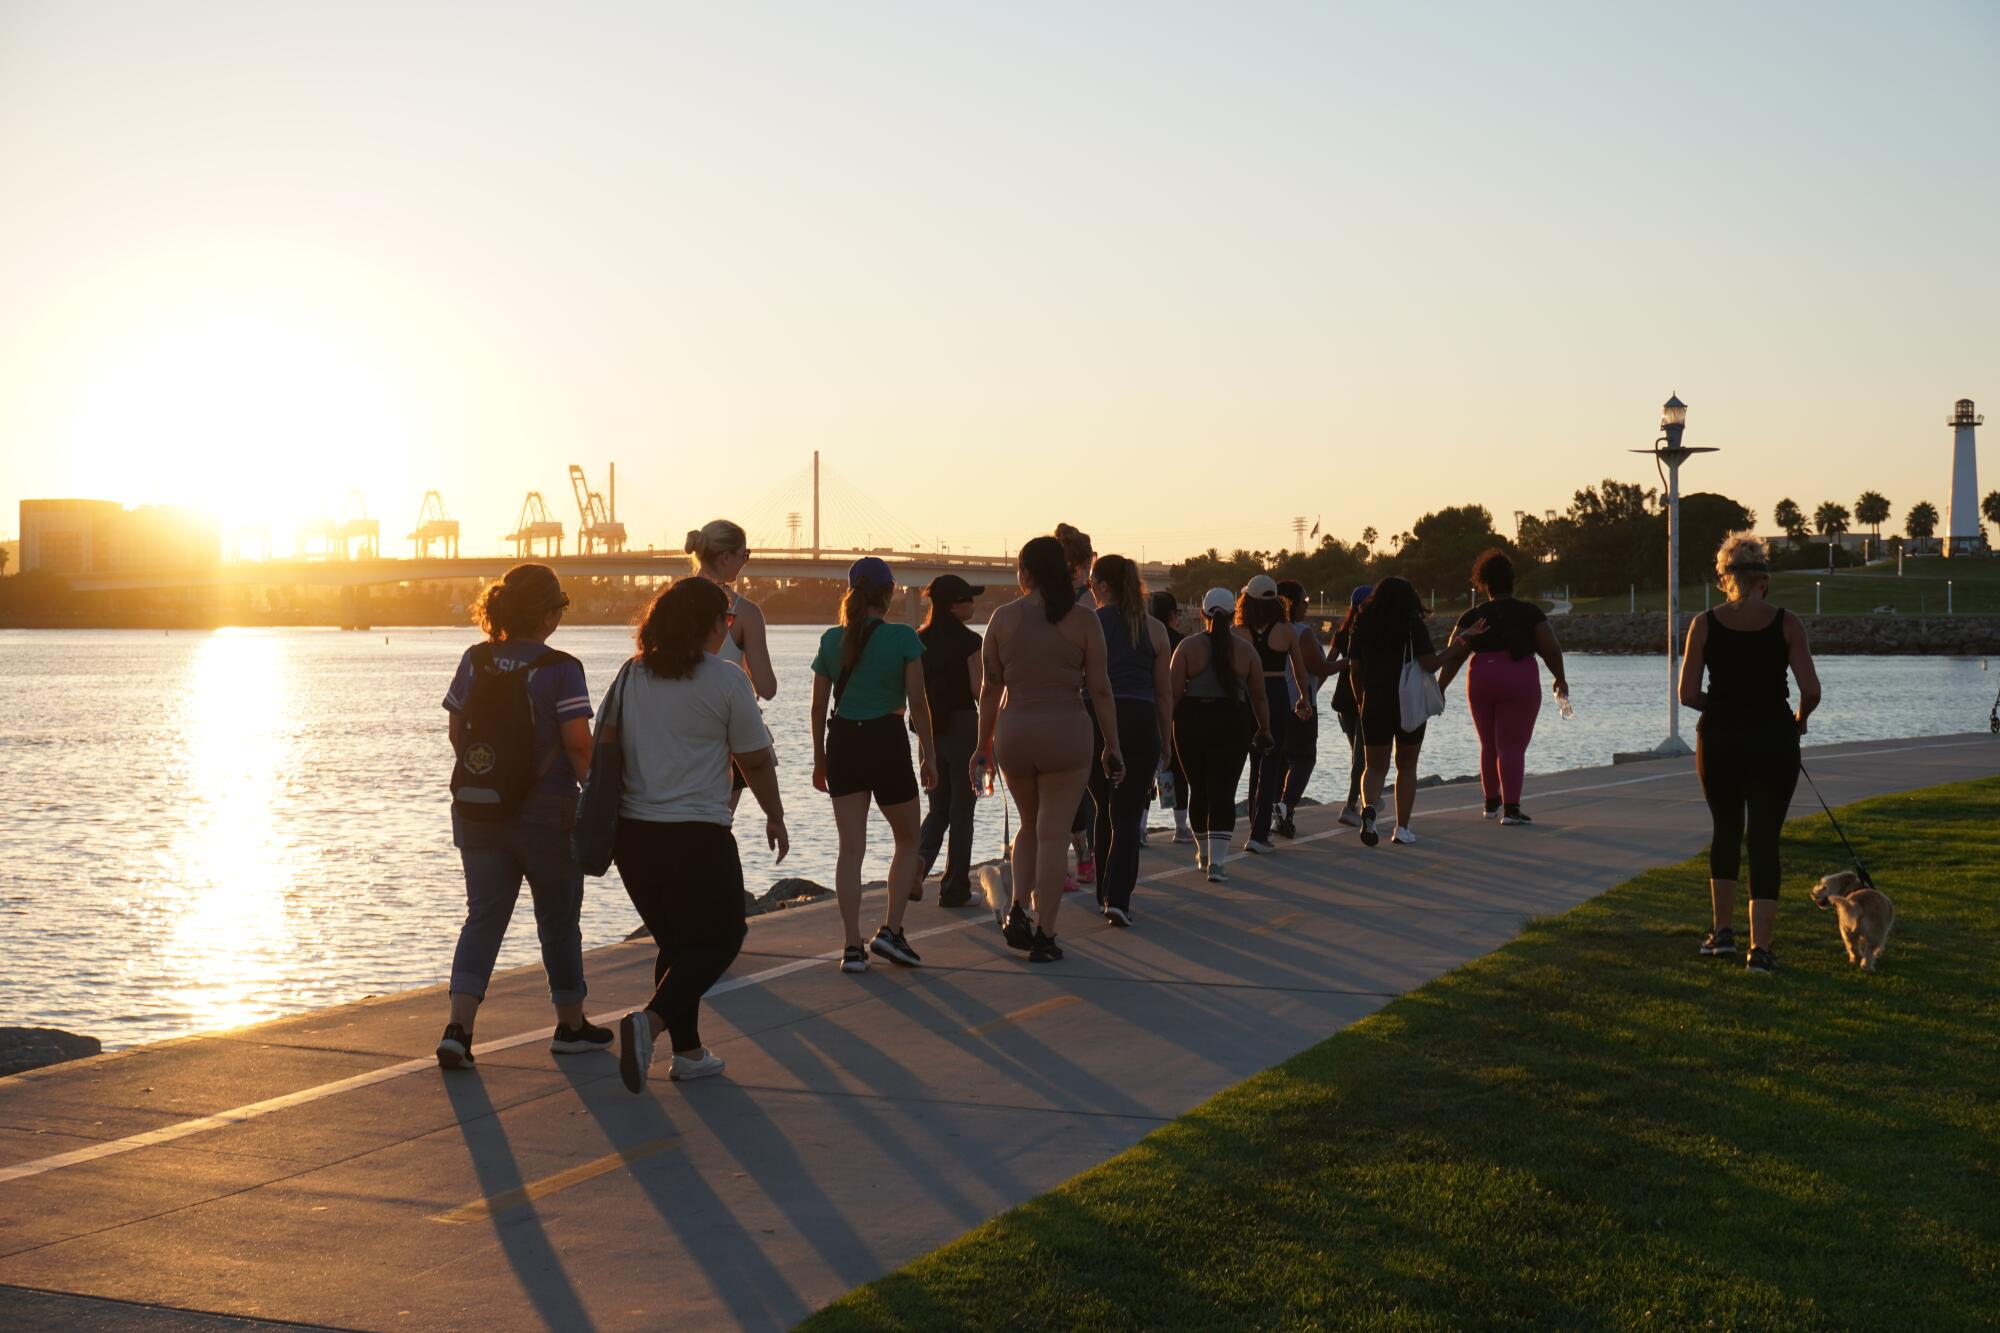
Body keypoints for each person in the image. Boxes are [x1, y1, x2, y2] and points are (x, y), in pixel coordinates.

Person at [611, 578, 790, 1091]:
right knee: (724, 936)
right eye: (725, 620)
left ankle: (687, 1054)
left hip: (633, 837)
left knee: (676, 943)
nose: (728, 629)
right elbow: (754, 758)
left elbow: (606, 748)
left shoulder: (631, 676)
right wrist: (775, 815)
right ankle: (649, 1022)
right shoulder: (728, 679)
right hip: (695, 835)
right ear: (709, 624)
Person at [437, 564, 606, 1070]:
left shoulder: (475, 660)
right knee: (557, 920)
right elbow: (578, 747)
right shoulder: (561, 667)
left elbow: (457, 734)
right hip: (547, 813)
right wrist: (598, 798)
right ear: (550, 614)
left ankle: (458, 1028)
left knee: (483, 917)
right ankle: (570, 1024)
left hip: (477, 808)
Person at [973, 536, 1122, 962]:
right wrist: (1112, 745)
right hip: (1066, 731)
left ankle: (1018, 907)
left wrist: (982, 745)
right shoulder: (1084, 620)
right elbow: (1101, 689)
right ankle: (1046, 934)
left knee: (1027, 826)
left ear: (1025, 573)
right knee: (1053, 834)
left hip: (1016, 731)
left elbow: (989, 689)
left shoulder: (1002, 619)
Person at [1678, 532, 1820, 975]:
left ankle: (1722, 934)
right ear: (1764, 577)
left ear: (1724, 577)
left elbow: (1686, 694)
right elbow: (1811, 690)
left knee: (1725, 831)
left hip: (1719, 738)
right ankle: (1761, 950)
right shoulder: (1786, 622)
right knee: (1764, 839)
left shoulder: (1704, 623)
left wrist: (1721, 704)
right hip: (1773, 738)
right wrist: (1798, 718)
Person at [811, 558, 937, 973]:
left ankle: (851, 948)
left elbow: (817, 708)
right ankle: (891, 931)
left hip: (843, 742)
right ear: (889, 594)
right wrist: (929, 756)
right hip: (886, 739)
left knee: (851, 849)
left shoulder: (831, 640)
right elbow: (918, 703)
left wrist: (819, 760)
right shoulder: (903, 638)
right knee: (907, 839)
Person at [1436, 549, 1568, 825]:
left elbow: (1455, 653)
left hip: (1481, 676)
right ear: (1512, 580)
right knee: (1512, 746)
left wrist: (1441, 687)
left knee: (1488, 744)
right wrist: (1559, 677)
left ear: (1483, 583)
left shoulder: (1472, 616)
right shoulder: (1530, 613)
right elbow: (1551, 650)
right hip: (1518, 677)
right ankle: (1511, 808)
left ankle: (1491, 804)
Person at [1346, 577, 1478, 848]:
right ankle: (1402, 828)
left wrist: (1361, 700)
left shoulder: (1362, 624)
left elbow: (1354, 669)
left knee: (1373, 768)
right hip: (1408, 702)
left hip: (1374, 702)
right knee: (1406, 766)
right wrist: (1459, 644)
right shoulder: (1411, 625)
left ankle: (1369, 808)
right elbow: (1430, 664)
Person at [1086, 555, 1172, 927]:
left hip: (1093, 718)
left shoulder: (1090, 624)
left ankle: (1106, 892)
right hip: (1140, 720)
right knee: (1127, 811)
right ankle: (1117, 896)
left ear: (1104, 586)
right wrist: (1167, 741)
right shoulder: (1154, 629)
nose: (1089, 588)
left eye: (1092, 582)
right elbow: (1164, 693)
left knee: (1104, 804)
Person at [1168, 587, 1272, 881]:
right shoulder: (1246, 651)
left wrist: (1163, 731)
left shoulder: (1187, 648)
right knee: (1223, 791)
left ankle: (1203, 852)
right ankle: (1217, 863)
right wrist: (1265, 729)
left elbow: (1172, 696)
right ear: (1231, 615)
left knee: (1198, 789)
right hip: (1232, 723)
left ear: (1202, 614)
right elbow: (1259, 698)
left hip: (1190, 723)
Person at [685, 519, 777, 812]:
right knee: (717, 827)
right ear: (725, 557)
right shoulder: (743, 612)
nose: (745, 562)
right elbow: (767, 687)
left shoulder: (669, 603)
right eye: (744, 555)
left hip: (674, 731)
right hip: (724, 738)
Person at [916, 574, 985, 907]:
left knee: (937, 809)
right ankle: (955, 887)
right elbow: (978, 691)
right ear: (954, 605)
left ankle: (917, 863)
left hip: (929, 732)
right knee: (962, 813)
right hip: (963, 727)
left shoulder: (918, 641)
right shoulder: (972, 642)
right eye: (968, 598)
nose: (974, 603)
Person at [1237, 576, 1311, 853]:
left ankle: (1253, 825)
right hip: (1276, 694)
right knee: (1271, 762)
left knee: (1254, 763)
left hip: (1247, 696)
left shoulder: (1239, 632)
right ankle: (1258, 833)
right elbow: (1299, 671)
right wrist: (1304, 699)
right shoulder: (1287, 630)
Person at [1052, 522, 1099, 889]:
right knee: (1076, 787)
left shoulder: (1034, 600)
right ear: (1084, 561)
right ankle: (1083, 859)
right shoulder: (1085, 602)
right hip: (1073, 703)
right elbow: (1095, 669)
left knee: (1044, 796)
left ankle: (1053, 867)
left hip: (1029, 707)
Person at [1273, 580, 1331, 839]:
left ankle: (1277, 813)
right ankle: (1286, 806)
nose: (1307, 607)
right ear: (1291, 604)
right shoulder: (1300, 632)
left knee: (1281, 762)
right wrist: (1348, 662)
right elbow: (1319, 669)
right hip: (1301, 706)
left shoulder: (1268, 630)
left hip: (1274, 704)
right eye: (1305, 602)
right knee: (1305, 759)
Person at [1149, 589, 1194, 844]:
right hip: (1177, 712)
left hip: (1145, 709)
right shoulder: (1182, 642)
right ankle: (1180, 827)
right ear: (1171, 615)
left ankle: (1140, 830)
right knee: (1178, 769)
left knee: (1144, 770)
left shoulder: (1140, 637)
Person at [1328, 585, 1369, 827]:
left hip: (1343, 701)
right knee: (1361, 758)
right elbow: (1331, 663)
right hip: (1359, 700)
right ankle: (1351, 805)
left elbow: (1327, 662)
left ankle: (1365, 800)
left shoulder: (1342, 634)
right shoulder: (1367, 632)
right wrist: (1352, 663)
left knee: (1359, 755)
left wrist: (1346, 662)